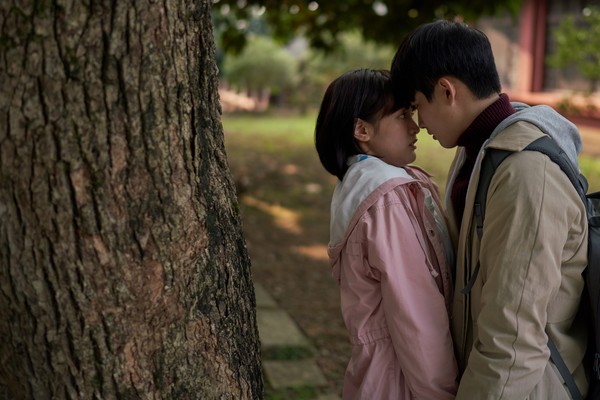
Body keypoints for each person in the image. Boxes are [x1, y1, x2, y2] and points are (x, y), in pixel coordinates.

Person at [390, 20, 589, 399]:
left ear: (447, 91)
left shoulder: (527, 172)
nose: (419, 124)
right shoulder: (479, 151)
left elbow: (513, 343)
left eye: (418, 106)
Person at [314, 68, 458, 399]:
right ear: (361, 129)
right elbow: (416, 319)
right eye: (402, 115)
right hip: (402, 382)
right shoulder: (386, 199)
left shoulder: (370, 184)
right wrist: (443, 393)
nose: (416, 126)